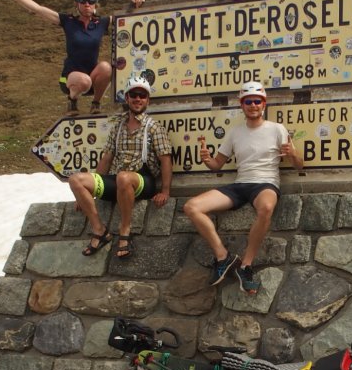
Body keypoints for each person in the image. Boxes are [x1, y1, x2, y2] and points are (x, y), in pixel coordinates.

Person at [184, 81, 304, 295]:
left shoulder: (277, 129)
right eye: (248, 101)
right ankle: (223, 257)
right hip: (240, 184)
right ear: (242, 105)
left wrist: (293, 154)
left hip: (265, 183)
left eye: (257, 101)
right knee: (192, 207)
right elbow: (216, 165)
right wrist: (206, 159)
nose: (253, 105)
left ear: (263, 104)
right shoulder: (235, 132)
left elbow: (299, 165)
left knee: (266, 207)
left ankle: (246, 266)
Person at [0, 0, 144, 114]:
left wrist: (136, 3)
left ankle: (95, 104)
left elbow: (125, 16)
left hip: (92, 78)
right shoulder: (68, 21)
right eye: (82, 0)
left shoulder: (101, 23)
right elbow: (37, 9)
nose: (87, 4)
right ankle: (72, 101)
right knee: (83, 80)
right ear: (76, 3)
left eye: (91, 1)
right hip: (71, 78)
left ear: (95, 4)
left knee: (106, 67)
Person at [67, 75, 172, 259]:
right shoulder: (118, 126)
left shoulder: (153, 127)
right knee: (76, 180)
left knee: (124, 177)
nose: (138, 99)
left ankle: (125, 231)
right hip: (119, 179)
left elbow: (165, 159)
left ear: (148, 99)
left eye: (142, 95)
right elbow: (106, 158)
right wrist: (89, 190)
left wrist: (165, 190)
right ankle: (99, 231)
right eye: (134, 94)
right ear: (127, 97)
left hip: (143, 179)